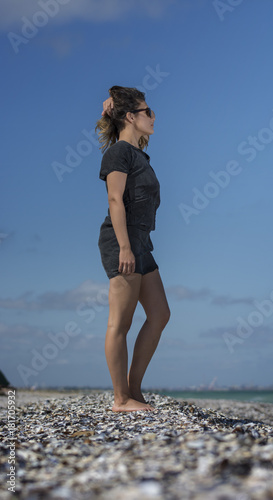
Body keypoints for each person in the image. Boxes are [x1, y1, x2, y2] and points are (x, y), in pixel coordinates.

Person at [95, 86, 170, 412]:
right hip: (121, 241)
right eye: (147, 111)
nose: (153, 116)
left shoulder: (138, 153)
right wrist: (125, 247)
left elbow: (133, 129)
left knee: (160, 314)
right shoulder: (118, 153)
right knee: (120, 323)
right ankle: (120, 398)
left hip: (142, 242)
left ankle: (134, 390)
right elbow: (115, 200)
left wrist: (110, 111)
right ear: (130, 116)